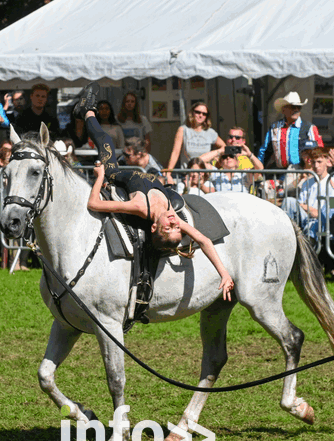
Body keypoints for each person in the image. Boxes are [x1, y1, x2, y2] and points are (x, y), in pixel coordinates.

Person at [75, 84, 234, 298]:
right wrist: (223, 273)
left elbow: (94, 204)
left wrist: (101, 176)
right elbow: (204, 240)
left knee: (106, 140)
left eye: (168, 228)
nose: (173, 223)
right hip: (145, 173)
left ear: (153, 228)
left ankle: (86, 111)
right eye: (177, 227)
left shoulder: (139, 207)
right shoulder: (174, 217)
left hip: (115, 173)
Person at [165, 102, 224, 184]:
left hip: (205, 177)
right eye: (198, 112)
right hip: (187, 176)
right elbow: (175, 152)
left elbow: (224, 148)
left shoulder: (210, 132)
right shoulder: (183, 130)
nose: (201, 115)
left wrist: (215, 157)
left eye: (204, 114)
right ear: (192, 112)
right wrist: (168, 173)